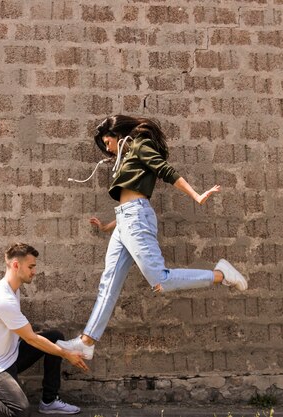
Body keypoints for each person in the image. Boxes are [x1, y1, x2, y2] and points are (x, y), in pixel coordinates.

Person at [58, 115, 248, 360]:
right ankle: (86, 342)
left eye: (107, 142)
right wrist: (108, 227)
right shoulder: (128, 157)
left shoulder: (139, 145)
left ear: (118, 135)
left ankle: (221, 275)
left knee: (160, 280)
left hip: (135, 217)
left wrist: (197, 196)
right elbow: (131, 201)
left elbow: (165, 171)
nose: (107, 148)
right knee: (109, 282)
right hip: (126, 219)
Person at [0, 243, 88, 417]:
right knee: (21, 411)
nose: (34, 271)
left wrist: (63, 349)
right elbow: (31, 338)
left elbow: (28, 337)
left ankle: (49, 401)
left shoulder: (13, 290)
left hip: (11, 355)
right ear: (16, 265)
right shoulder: (2, 299)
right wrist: (66, 354)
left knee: (55, 337)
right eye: (31, 267)